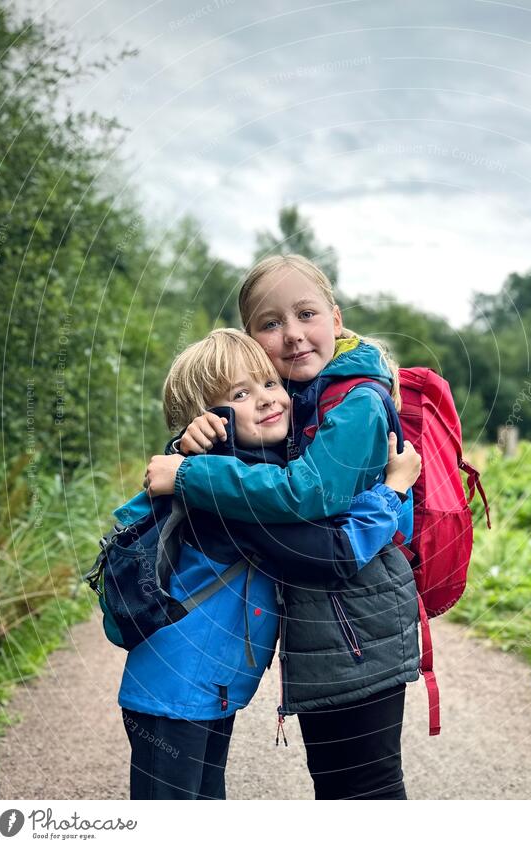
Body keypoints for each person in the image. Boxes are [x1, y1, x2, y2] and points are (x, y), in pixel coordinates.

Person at [145, 254, 421, 800]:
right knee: (340, 787)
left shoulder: (357, 400)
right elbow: (250, 459)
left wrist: (189, 473)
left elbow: (305, 494)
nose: (292, 335)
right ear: (252, 340)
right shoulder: (296, 396)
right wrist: (197, 438)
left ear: (336, 320)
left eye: (306, 314)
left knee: (363, 789)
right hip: (329, 630)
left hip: (358, 625)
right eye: (271, 324)